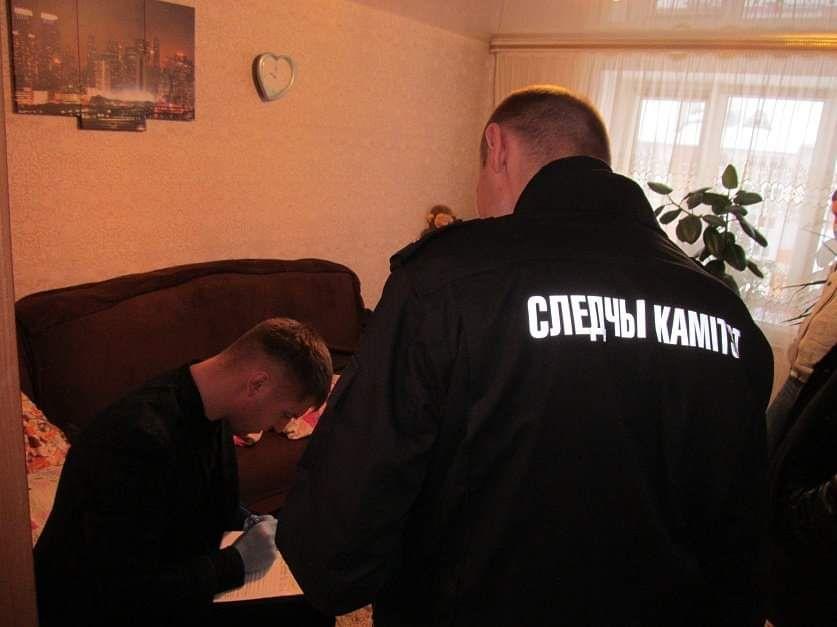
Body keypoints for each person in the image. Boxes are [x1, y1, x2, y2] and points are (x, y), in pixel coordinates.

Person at [277, 85, 774, 626]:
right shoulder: (726, 312)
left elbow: (336, 542)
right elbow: (741, 538)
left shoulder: (444, 284)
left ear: (498, 148)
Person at [34, 317, 333, 627]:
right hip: (92, 606)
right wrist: (237, 562)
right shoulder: (136, 439)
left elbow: (206, 495)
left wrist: (248, 521)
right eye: (286, 413)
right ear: (257, 384)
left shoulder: (212, 410)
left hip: (165, 568)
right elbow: (123, 594)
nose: (281, 426)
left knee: (314, 600)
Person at [766, 190, 837, 458]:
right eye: (834, 216)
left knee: (786, 458)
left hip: (821, 385)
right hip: (801, 374)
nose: (835, 225)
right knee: (765, 448)